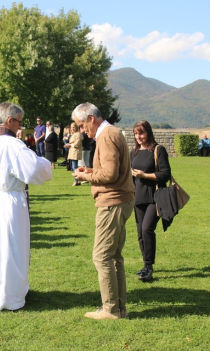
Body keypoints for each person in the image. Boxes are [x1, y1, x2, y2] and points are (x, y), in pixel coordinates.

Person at [0, 102, 52, 311]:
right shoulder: (11, 144)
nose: (20, 127)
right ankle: (10, 296)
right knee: (11, 247)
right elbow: (32, 169)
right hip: (11, 201)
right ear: (10, 120)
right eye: (19, 122)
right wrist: (46, 163)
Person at [72, 102, 134, 320]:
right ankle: (119, 308)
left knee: (101, 257)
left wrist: (85, 176)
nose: (82, 131)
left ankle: (111, 310)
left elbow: (109, 175)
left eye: (81, 125)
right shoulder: (112, 133)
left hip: (112, 203)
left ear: (91, 118)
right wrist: (90, 170)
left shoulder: (106, 135)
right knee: (114, 256)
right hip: (121, 201)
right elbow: (111, 170)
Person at [130, 120, 171, 282]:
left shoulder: (158, 150)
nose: (138, 137)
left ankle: (148, 266)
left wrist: (144, 175)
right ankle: (146, 265)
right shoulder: (135, 151)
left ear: (148, 133)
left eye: (141, 133)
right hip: (138, 197)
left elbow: (165, 174)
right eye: (136, 133)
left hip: (154, 197)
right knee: (140, 232)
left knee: (147, 229)